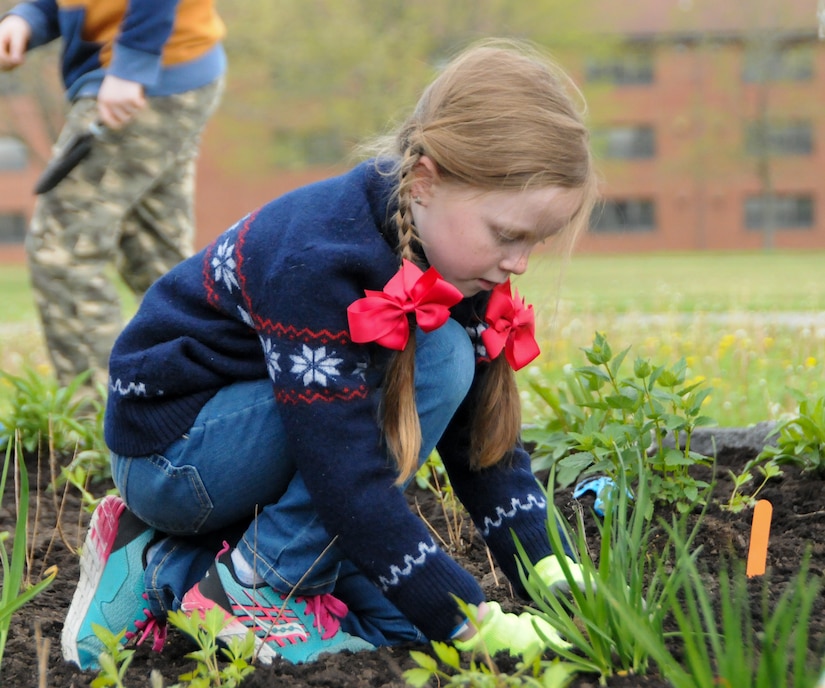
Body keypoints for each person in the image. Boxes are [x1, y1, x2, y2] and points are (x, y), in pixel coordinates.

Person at [60, 39, 600, 670]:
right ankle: (249, 586)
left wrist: (553, 577)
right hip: (175, 455)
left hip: (268, 441)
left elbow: (484, 453)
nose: (520, 263)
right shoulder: (317, 260)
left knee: (405, 632)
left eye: (536, 241)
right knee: (442, 357)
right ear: (425, 180)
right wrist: (473, 620)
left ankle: (179, 569)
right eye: (508, 235)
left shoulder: (458, 260)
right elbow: (344, 473)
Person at [0, 0, 226, 389]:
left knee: (63, 254)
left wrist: (132, 64)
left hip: (141, 76)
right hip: (163, 73)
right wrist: (29, 17)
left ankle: (99, 424)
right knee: (156, 260)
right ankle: (219, 397)